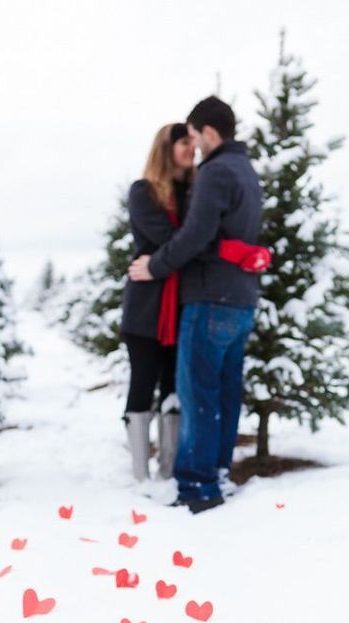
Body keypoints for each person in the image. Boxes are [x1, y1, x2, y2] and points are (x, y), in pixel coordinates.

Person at [129, 96, 263, 513]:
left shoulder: (214, 172)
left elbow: (195, 236)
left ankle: (198, 485)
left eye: (193, 136)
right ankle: (216, 473)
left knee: (199, 394)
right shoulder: (246, 170)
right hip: (241, 300)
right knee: (224, 394)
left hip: (209, 298)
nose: (193, 147)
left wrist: (155, 266)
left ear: (207, 132)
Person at [121, 122, 195, 482]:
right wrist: (194, 239)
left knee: (174, 387)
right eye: (183, 142)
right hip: (146, 307)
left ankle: (167, 470)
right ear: (166, 148)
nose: (190, 148)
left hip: (184, 304)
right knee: (143, 383)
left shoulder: (197, 191)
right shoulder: (144, 192)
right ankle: (139, 474)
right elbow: (172, 239)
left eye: (192, 142)